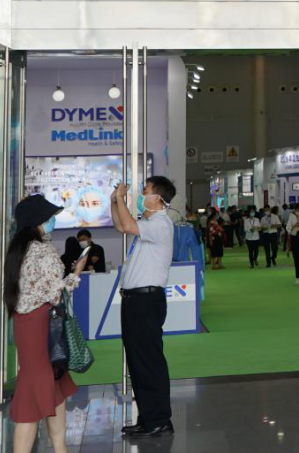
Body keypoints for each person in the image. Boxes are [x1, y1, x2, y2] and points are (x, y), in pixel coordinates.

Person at [6, 195, 90, 453]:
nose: (53, 221)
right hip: (42, 324)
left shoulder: (19, 250)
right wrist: (76, 273)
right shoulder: (43, 251)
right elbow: (57, 293)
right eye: (50, 217)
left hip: (26, 323)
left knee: (52, 387)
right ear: (38, 222)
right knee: (34, 391)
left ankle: (60, 448)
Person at [111, 176, 177, 436]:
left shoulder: (161, 224)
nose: (141, 194)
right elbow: (121, 225)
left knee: (148, 361)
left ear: (157, 197)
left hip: (146, 301)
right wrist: (114, 201)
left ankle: (159, 419)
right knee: (138, 361)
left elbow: (127, 225)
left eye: (145, 191)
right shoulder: (148, 223)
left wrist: (121, 198)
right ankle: (148, 417)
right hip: (135, 300)